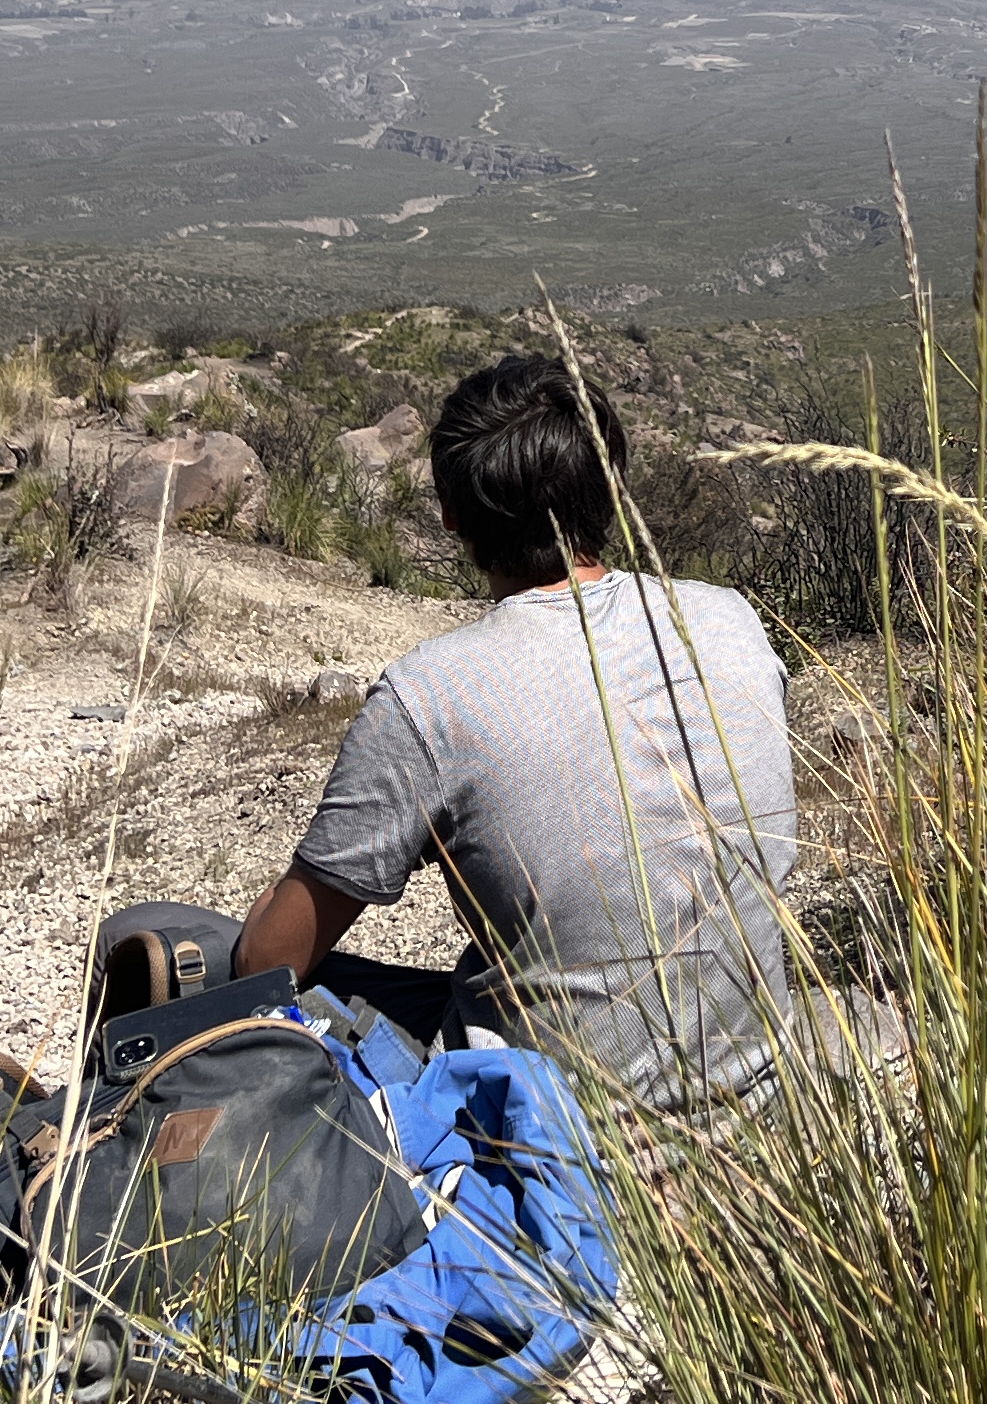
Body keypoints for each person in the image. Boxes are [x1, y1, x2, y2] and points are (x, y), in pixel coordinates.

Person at [195, 352, 798, 1114]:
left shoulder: (433, 696)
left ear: (451, 512)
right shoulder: (729, 621)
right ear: (609, 488)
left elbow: (268, 964)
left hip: (555, 1142)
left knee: (172, 943)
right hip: (763, 1117)